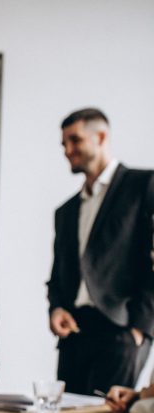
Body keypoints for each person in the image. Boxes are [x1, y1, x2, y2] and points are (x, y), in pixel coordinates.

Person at [47, 108, 154, 395]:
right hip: (74, 335)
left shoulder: (144, 185)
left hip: (122, 331)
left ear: (101, 137)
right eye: (64, 144)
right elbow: (58, 274)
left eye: (75, 140)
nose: (68, 150)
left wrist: (140, 330)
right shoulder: (65, 212)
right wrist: (56, 307)